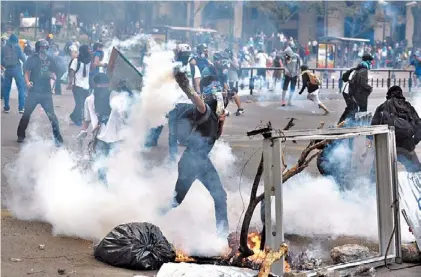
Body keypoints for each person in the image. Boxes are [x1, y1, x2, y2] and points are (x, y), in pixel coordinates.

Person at [161, 68, 229, 237]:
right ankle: (151, 219)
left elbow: (216, 137)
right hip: (190, 163)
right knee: (176, 201)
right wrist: (183, 82)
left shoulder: (214, 115)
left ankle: (222, 237)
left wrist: (222, 122)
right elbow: (196, 99)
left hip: (202, 162)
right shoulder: (203, 109)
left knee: (220, 197)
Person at [77, 73, 132, 185]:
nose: (102, 87)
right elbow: (87, 118)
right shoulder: (89, 100)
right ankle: (104, 190)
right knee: (101, 164)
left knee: (116, 165)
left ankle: (119, 188)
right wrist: (83, 130)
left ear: (108, 84)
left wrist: (126, 94)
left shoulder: (116, 96)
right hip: (99, 138)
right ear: (95, 85)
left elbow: (126, 114)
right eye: (100, 85)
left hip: (117, 138)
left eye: (104, 85)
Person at [17, 39, 63, 145]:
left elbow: (54, 71)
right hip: (33, 92)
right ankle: (20, 134)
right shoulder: (32, 59)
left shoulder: (51, 59)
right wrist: (28, 82)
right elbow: (27, 72)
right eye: (42, 47)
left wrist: (53, 76)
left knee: (52, 116)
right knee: (26, 114)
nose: (44, 50)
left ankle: (58, 138)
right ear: (38, 48)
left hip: (46, 92)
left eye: (46, 48)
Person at [370, 85, 421, 172]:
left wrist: (372, 143)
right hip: (407, 146)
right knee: (416, 171)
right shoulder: (409, 107)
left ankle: (370, 184)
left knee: (376, 172)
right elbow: (419, 126)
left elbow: (374, 127)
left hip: (387, 145)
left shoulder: (382, 106)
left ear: (388, 95)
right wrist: (413, 142)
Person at [338, 53, 374, 124]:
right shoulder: (364, 70)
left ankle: (344, 123)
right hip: (349, 91)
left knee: (352, 108)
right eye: (370, 61)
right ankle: (343, 123)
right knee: (352, 108)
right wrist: (370, 88)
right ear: (367, 61)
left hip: (348, 90)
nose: (371, 63)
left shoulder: (359, 68)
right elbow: (362, 83)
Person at [1, 34, 26, 113]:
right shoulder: (17, 47)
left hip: (7, 70)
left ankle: (6, 107)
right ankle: (21, 108)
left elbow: (1, 60)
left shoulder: (3, 48)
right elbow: (23, 58)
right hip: (17, 69)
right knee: (21, 88)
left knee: (6, 89)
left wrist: (4, 67)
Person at [67, 45, 91, 126]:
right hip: (77, 85)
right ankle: (78, 119)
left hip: (86, 86)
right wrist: (70, 83)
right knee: (79, 103)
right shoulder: (76, 60)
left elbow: (93, 68)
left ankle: (73, 116)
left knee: (84, 104)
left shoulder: (89, 61)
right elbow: (72, 72)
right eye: (88, 50)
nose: (89, 51)